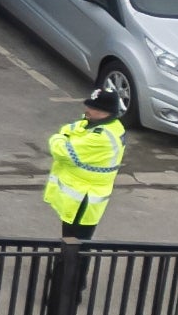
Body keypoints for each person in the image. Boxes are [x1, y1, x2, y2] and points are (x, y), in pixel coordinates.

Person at [43, 90, 127, 242]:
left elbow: (61, 150)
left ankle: (69, 266)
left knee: (75, 243)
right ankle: (65, 265)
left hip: (83, 199)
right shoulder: (106, 124)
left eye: (91, 107)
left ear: (103, 112)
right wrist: (65, 136)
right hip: (81, 194)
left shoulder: (101, 138)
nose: (86, 110)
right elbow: (73, 127)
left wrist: (58, 138)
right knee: (71, 241)